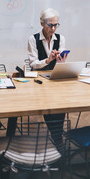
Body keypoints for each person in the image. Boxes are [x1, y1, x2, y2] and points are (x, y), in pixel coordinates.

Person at [27, 8, 68, 150]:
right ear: (42, 23)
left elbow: (60, 63)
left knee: (60, 105)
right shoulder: (33, 39)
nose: (54, 28)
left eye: (56, 24)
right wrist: (47, 60)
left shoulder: (60, 38)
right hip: (39, 79)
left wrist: (61, 60)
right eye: (50, 25)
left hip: (54, 78)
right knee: (49, 106)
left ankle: (56, 137)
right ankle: (57, 138)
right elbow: (33, 64)